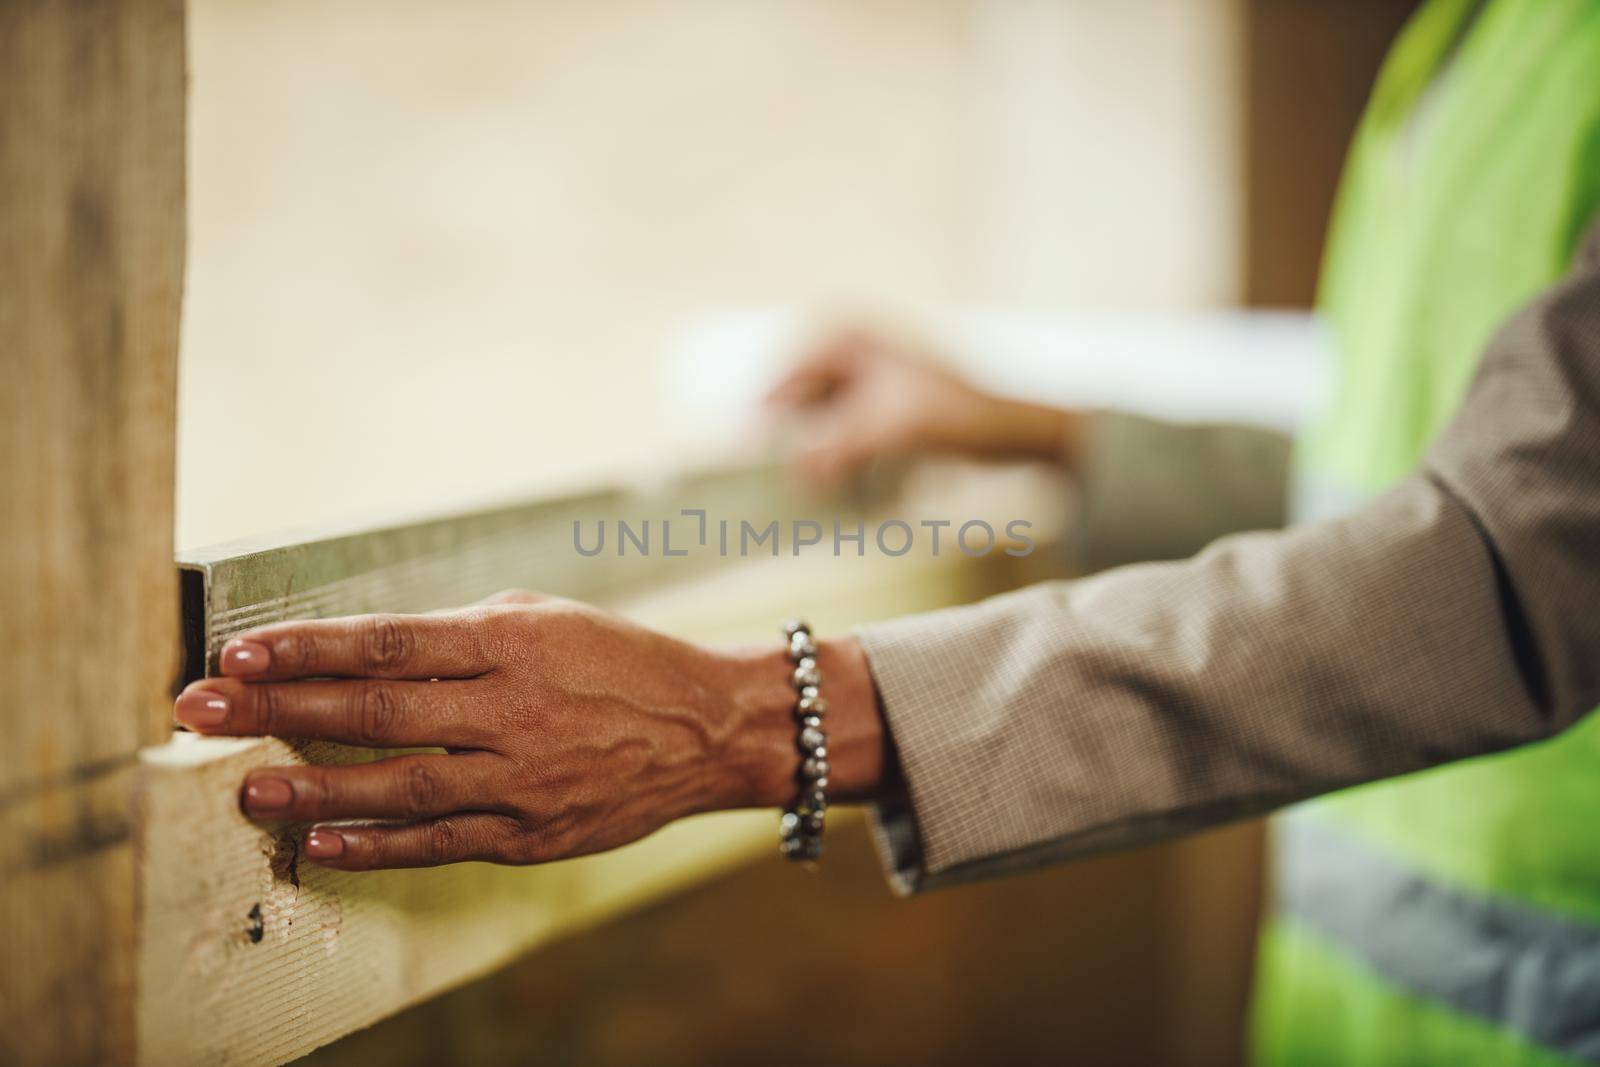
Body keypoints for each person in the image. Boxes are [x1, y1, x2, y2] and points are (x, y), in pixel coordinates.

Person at [174, 2, 1600, 1062]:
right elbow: (1416, 466)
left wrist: (747, 719)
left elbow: (1512, 563)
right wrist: (1055, 435)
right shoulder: (1489, 43)